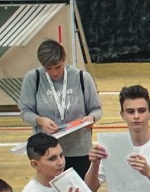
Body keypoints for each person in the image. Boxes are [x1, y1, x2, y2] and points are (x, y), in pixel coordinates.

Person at [18, 39, 103, 176]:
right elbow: (25, 111)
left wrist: (91, 118)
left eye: (58, 67)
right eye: (48, 68)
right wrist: (40, 120)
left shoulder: (82, 77)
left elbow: (96, 109)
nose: (54, 73)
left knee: (78, 188)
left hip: (78, 149)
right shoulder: (33, 78)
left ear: (64, 59)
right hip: (47, 152)